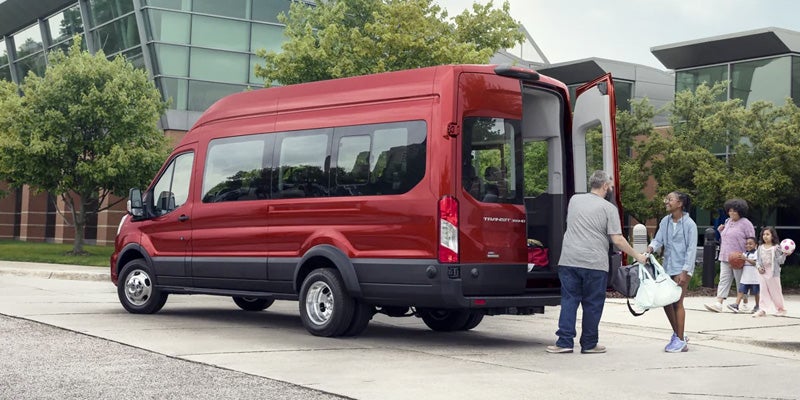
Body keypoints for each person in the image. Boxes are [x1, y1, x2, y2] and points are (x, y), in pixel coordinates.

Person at [546, 170, 647, 354]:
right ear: (605, 186)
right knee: (592, 303)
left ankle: (564, 342)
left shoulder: (574, 200)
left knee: (569, 300)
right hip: (594, 263)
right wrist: (637, 256)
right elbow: (617, 239)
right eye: (610, 186)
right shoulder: (609, 208)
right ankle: (589, 344)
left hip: (569, 260)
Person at [646, 191, 697, 353]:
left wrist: (685, 271)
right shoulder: (665, 221)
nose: (666, 202)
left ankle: (680, 341)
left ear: (680, 203)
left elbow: (691, 250)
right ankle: (678, 334)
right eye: (666, 199)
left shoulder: (690, 224)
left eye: (670, 199)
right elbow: (658, 239)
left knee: (677, 303)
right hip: (667, 267)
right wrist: (649, 249)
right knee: (666, 302)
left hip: (683, 268)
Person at [705, 199, 755, 313]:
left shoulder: (746, 223)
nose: (731, 213)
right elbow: (727, 238)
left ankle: (745, 303)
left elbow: (751, 240)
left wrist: (747, 255)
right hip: (725, 256)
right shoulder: (727, 221)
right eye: (730, 211)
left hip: (739, 257)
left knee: (741, 281)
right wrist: (720, 231)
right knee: (723, 280)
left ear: (740, 211)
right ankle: (719, 303)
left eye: (734, 211)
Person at [752, 227, 791, 317]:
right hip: (762, 273)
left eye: (768, 234)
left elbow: (780, 261)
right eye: (764, 234)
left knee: (776, 291)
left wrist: (784, 254)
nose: (765, 236)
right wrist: (759, 267)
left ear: (772, 236)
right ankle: (762, 310)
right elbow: (758, 260)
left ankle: (781, 309)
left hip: (773, 273)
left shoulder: (776, 248)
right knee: (763, 291)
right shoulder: (760, 247)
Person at [727, 237, 760, 314]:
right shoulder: (744, 254)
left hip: (755, 277)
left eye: (750, 244)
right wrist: (734, 265)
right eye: (747, 244)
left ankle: (758, 306)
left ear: (756, 245)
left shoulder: (757, 253)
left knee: (756, 292)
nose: (748, 245)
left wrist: (746, 259)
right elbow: (741, 265)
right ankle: (736, 305)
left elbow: (755, 263)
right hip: (745, 276)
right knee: (741, 291)